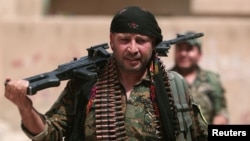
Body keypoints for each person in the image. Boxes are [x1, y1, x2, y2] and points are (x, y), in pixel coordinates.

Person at [4, 6, 208, 141]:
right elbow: (49, 134)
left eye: (141, 40)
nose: (133, 48)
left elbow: (201, 134)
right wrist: (25, 107)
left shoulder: (172, 86)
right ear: (111, 41)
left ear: (153, 44)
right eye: (125, 40)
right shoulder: (86, 84)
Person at [170, 31, 229, 125]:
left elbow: (221, 111)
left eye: (189, 49)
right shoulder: (165, 79)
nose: (183, 53)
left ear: (199, 55)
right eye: (180, 49)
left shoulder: (211, 80)